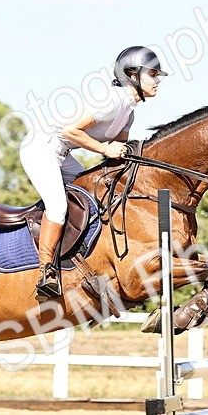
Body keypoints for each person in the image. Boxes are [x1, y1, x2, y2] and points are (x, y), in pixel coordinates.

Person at [20, 45, 167, 300]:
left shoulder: (128, 113)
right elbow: (70, 131)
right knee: (57, 207)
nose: (157, 81)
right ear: (132, 73)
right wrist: (104, 148)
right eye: (152, 74)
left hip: (62, 154)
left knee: (96, 198)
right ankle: (46, 272)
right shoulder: (111, 100)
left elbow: (117, 153)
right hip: (40, 148)